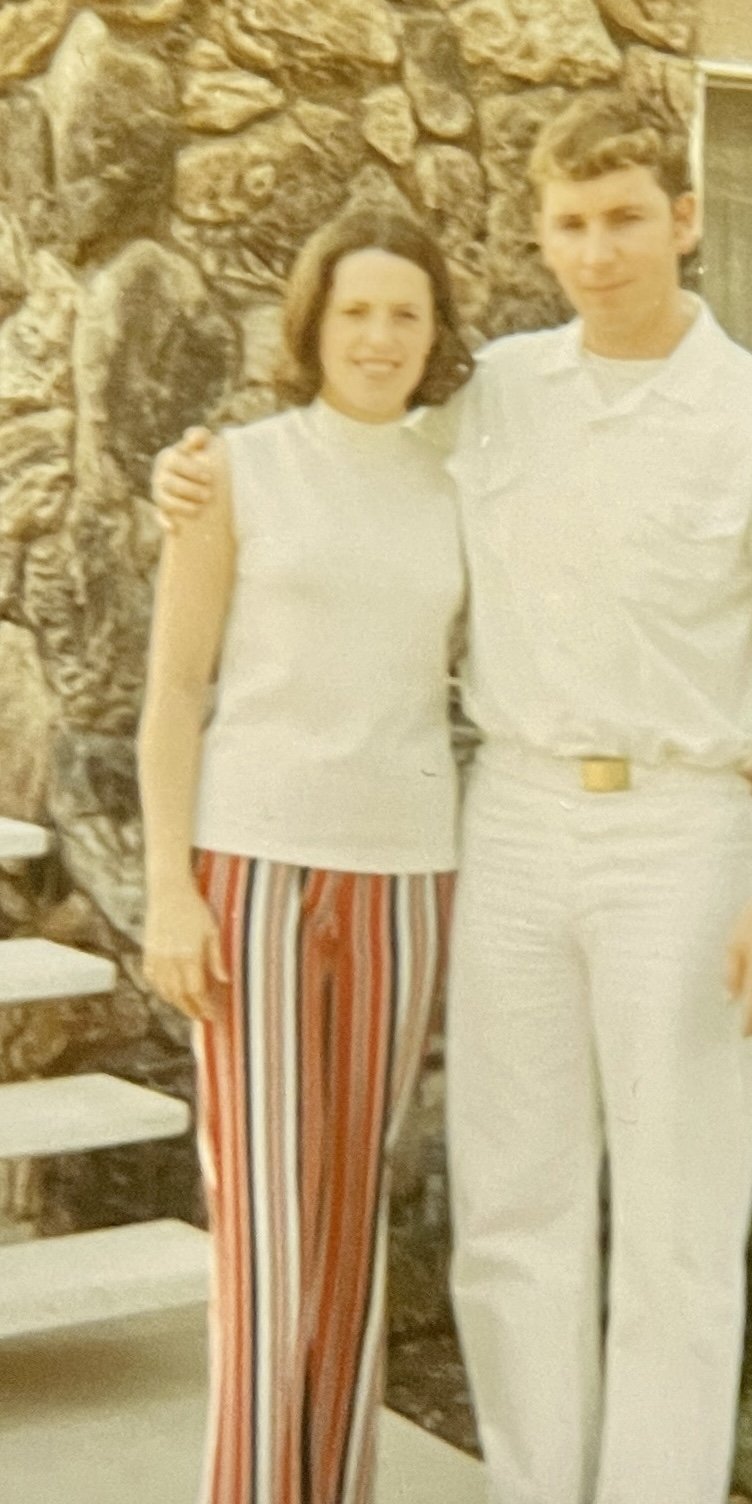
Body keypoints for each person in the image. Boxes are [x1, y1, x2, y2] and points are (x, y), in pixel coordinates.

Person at [151, 90, 752, 1504]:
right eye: (568, 224)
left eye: (625, 219)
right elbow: (339, 457)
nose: (596, 250)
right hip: (508, 826)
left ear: (684, 222)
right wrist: (190, 472)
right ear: (540, 238)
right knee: (510, 1213)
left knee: (673, 1230)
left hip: (682, 839)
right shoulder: (492, 395)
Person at [137, 206, 472, 1504]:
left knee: (346, 1237)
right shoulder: (235, 470)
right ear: (312, 326)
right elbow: (173, 690)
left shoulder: (461, 480)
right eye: (355, 311)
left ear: (435, 331)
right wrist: (171, 890)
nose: (379, 336)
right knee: (270, 1235)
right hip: (257, 876)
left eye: (404, 311)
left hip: (404, 879)